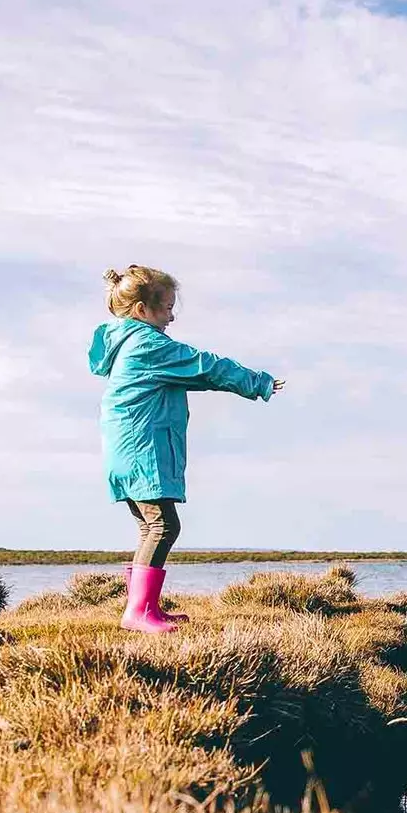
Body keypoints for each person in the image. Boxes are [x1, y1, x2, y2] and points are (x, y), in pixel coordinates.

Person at [89, 265, 284, 633]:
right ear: (142, 310)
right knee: (163, 525)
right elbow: (204, 366)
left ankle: (146, 609)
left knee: (150, 527)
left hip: (126, 450)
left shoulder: (127, 343)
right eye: (165, 307)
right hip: (141, 448)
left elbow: (197, 377)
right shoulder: (148, 344)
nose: (171, 315)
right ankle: (138, 612)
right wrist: (257, 382)